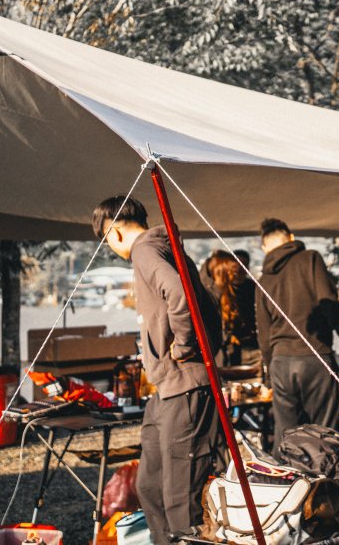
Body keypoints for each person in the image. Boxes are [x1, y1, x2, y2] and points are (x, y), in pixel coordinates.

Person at [93, 196, 223, 543]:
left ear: (115, 232)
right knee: (149, 485)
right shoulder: (162, 249)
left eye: (106, 240)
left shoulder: (146, 250)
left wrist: (183, 346)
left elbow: (181, 295)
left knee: (180, 494)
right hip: (165, 388)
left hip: (184, 385)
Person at [255, 217, 339, 449]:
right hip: (314, 357)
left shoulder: (263, 279)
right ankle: (329, 484)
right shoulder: (310, 258)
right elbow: (329, 302)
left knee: (287, 435)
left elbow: (263, 332)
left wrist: (270, 373)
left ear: (264, 248)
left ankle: (292, 482)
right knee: (324, 432)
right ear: (291, 237)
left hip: (281, 363)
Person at [205, 250, 259, 366]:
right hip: (221, 354)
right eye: (233, 268)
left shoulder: (250, 287)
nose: (236, 272)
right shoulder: (211, 293)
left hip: (242, 348)